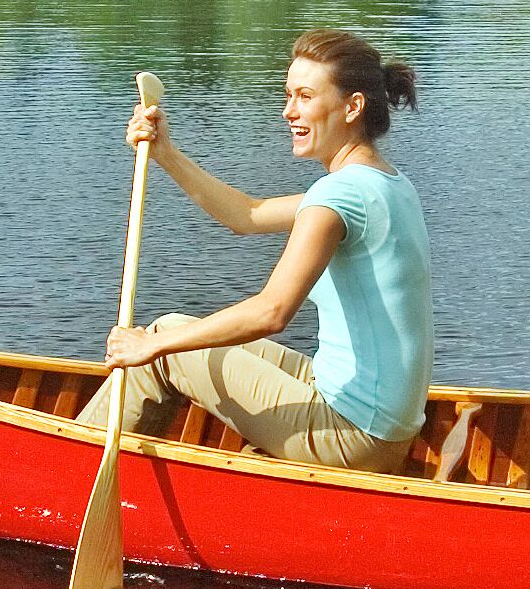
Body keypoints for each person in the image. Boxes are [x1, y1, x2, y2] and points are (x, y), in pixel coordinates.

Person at [78, 29, 433, 472]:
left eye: (305, 96)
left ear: (352, 107)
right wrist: (165, 154)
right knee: (166, 327)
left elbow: (271, 312)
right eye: (289, 96)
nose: (289, 112)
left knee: (161, 350)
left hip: (355, 435)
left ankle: (70, 472)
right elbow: (247, 214)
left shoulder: (338, 197)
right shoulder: (384, 183)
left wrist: (152, 348)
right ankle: (121, 463)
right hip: (370, 415)